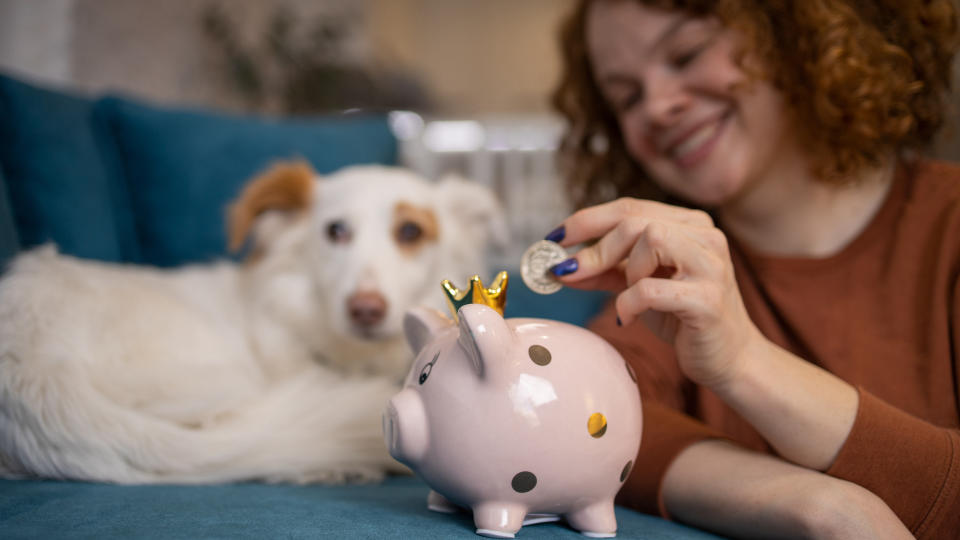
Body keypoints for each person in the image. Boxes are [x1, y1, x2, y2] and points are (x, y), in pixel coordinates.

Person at [547, 0, 960, 538]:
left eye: (687, 53)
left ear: (793, 29)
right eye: (626, 97)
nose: (657, 106)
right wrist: (815, 501)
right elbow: (582, 418)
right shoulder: (669, 281)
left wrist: (744, 361)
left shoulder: (947, 226)